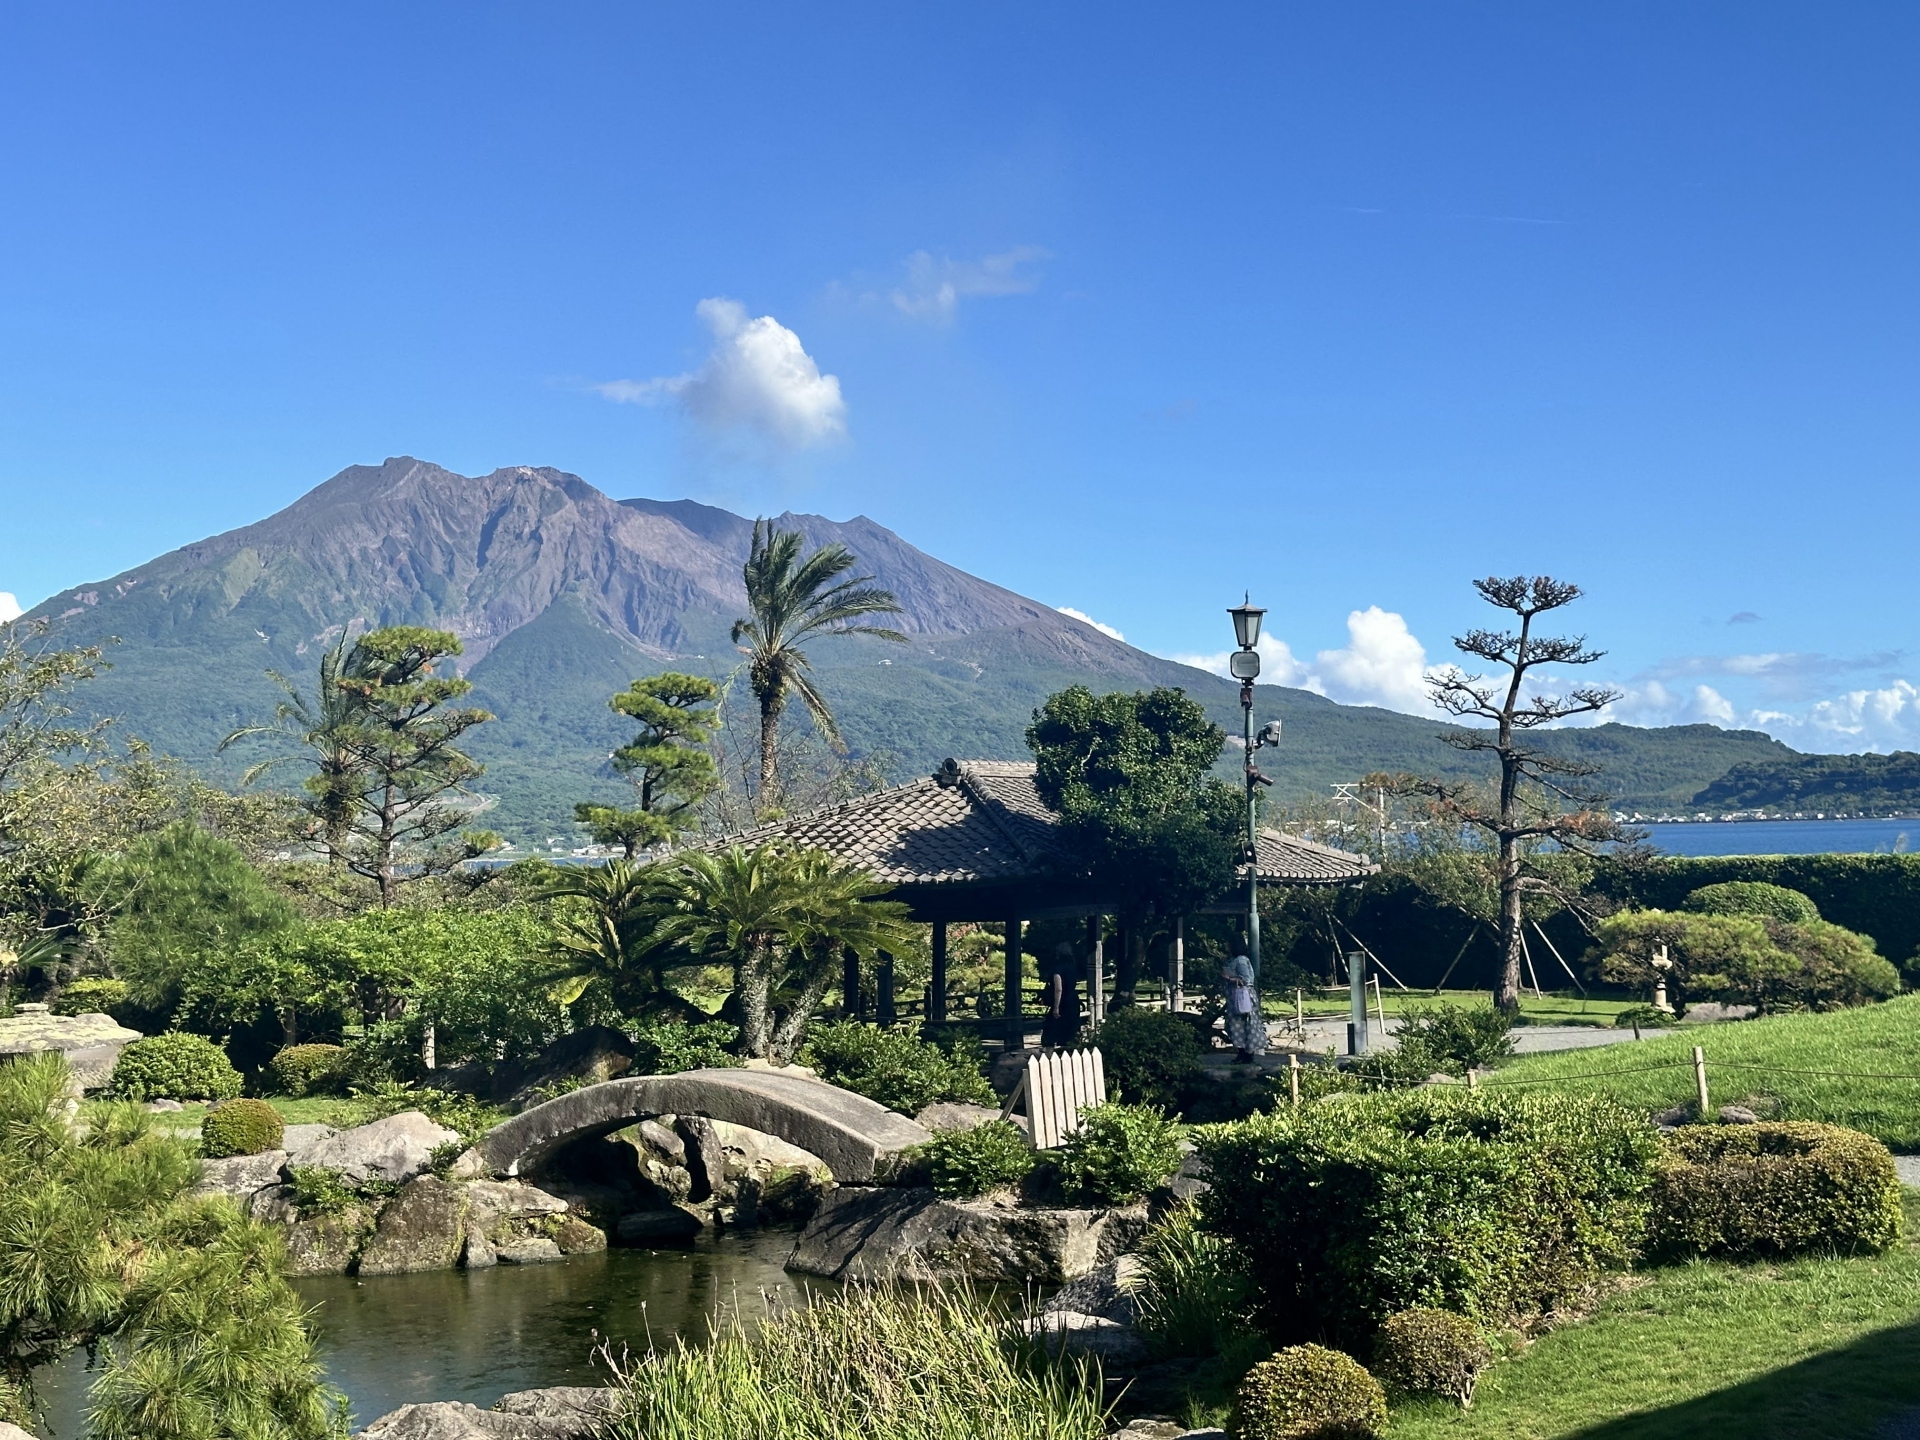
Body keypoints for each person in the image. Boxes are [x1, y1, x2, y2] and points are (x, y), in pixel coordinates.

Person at [1222, 948, 1266, 1061]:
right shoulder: (1236, 959)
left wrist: (1230, 978)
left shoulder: (1241, 960)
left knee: (1243, 1024)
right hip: (1236, 997)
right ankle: (1242, 1053)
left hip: (1242, 997)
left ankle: (1247, 1054)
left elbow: (1246, 979)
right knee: (1238, 1025)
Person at [1042, 941, 1082, 1049]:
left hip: (1063, 1001)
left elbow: (1058, 988)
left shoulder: (1058, 967)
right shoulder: (1073, 966)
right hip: (1073, 999)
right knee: (1071, 1030)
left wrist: (1056, 1007)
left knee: (1052, 1029)